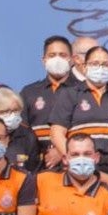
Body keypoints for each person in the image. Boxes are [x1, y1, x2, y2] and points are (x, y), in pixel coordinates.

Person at [50, 46, 108, 177]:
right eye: (95, 64)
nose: (100, 68)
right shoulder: (69, 94)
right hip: (79, 166)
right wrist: (73, 159)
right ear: (85, 67)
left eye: (105, 64)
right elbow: (56, 133)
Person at [20, 35, 80, 170]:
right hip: (37, 167)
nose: (57, 59)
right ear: (44, 60)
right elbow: (22, 134)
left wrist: (61, 150)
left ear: (71, 60)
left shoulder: (82, 91)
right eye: (52, 55)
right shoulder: (29, 92)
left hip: (74, 166)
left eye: (62, 55)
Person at [0, 87, 40, 172]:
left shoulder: (28, 136)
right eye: (5, 112)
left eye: (15, 110)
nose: (12, 116)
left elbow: (33, 171)